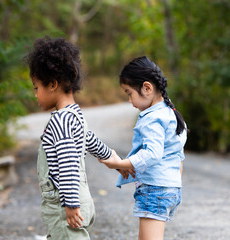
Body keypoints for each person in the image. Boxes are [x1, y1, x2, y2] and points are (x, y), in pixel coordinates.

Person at [24, 36, 120, 240]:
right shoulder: (75, 115)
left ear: (52, 84)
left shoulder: (60, 121)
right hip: (79, 199)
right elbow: (91, 141)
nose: (35, 95)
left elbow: (67, 164)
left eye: (36, 87)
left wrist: (70, 205)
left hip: (65, 206)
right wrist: (114, 160)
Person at [99, 56, 187, 240]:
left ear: (147, 88)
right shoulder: (171, 113)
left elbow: (153, 154)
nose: (130, 100)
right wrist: (172, 183)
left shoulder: (152, 118)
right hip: (171, 188)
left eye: (129, 93)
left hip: (155, 190)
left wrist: (122, 163)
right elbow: (178, 155)